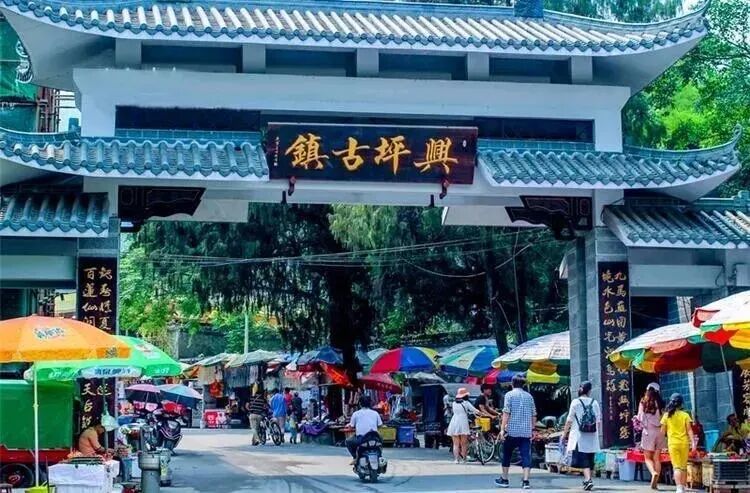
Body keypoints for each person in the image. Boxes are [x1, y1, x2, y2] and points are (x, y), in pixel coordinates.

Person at [495, 374, 536, 490]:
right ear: (523, 384)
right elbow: (534, 414)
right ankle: (526, 481)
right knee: (526, 456)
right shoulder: (529, 396)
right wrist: (533, 429)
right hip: (525, 432)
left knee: (507, 454)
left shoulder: (509, 395)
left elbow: (506, 412)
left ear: (512, 384)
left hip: (512, 431)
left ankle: (504, 479)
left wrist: (502, 429)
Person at [562, 381, 601, 491]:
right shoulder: (595, 403)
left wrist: (564, 434)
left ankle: (588, 479)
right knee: (590, 458)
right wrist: (595, 432)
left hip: (579, 435)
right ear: (589, 391)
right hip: (592, 435)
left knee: (583, 458)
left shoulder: (575, 402)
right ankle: (588, 479)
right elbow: (598, 420)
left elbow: (569, 420)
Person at [660, 393, 696, 493]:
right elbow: (689, 430)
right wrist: (693, 443)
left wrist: (661, 444)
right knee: (683, 466)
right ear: (681, 404)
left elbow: (662, 432)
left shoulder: (666, 416)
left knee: (676, 467)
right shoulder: (685, 415)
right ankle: (683, 487)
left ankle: (679, 488)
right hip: (684, 443)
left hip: (672, 444)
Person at [637, 383, 666, 490]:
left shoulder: (643, 402)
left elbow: (640, 417)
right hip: (660, 432)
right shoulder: (661, 402)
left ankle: (653, 473)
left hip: (648, 432)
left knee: (647, 458)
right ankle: (656, 483)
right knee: (657, 458)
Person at [447, 387, 482, 464]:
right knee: (464, 443)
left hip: (454, 421)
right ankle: (464, 459)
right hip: (463, 422)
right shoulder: (466, 403)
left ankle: (456, 459)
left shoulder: (454, 403)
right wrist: (481, 413)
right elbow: (475, 410)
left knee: (456, 444)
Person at [345, 396, 383, 464]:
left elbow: (351, 426)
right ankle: (380, 456)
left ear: (360, 404)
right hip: (375, 438)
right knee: (381, 439)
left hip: (361, 439)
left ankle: (355, 457)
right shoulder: (375, 413)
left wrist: (349, 426)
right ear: (370, 403)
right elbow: (380, 425)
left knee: (348, 441)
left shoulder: (356, 414)